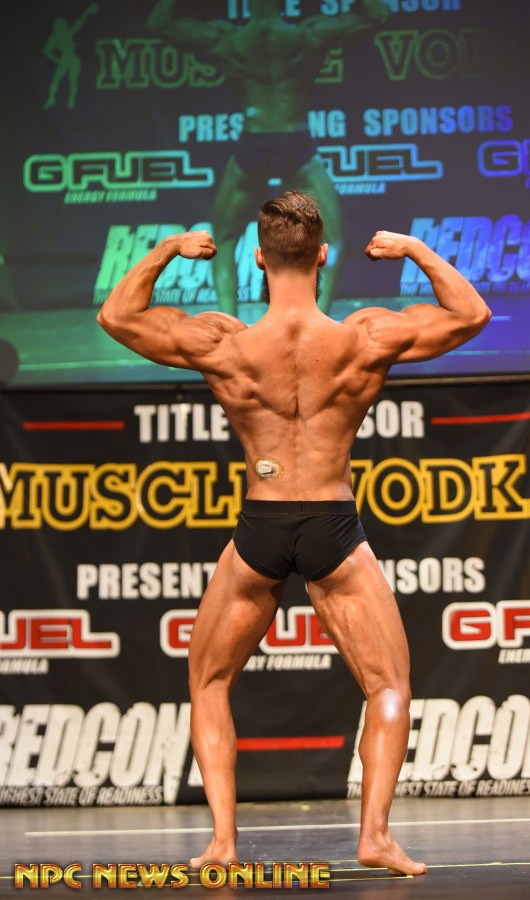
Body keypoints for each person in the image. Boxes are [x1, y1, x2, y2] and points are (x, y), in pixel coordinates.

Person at [97, 191, 491, 876]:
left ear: (256, 258)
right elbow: (471, 314)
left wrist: (166, 250)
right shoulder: (364, 338)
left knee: (208, 682)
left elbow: (117, 316)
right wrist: (416, 250)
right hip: (333, 525)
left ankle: (223, 843)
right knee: (388, 685)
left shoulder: (225, 344)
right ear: (323, 255)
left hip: (263, 523)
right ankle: (374, 836)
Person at [147, 0, 389, 316]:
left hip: (254, 142)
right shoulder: (308, 35)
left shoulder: (227, 39)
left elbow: (158, 23)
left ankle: (229, 324)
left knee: (223, 241)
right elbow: (377, 15)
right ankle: (318, 323)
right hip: (294, 142)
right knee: (334, 241)